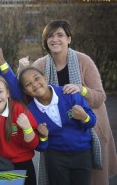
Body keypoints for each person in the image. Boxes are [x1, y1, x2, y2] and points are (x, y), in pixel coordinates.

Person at [19, 20, 117, 185]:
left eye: (60, 35)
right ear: (45, 41)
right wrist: (21, 70)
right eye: (50, 36)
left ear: (69, 39)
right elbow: (27, 93)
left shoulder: (83, 61)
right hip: (58, 141)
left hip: (89, 125)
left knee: (90, 178)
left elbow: (100, 97)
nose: (55, 39)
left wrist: (81, 89)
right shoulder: (40, 65)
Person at [19, 66, 97, 185]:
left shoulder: (68, 93)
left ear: (45, 77)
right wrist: (43, 136)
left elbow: (92, 122)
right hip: (56, 158)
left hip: (82, 153)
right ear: (25, 91)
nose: (34, 84)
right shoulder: (30, 112)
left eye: (37, 78)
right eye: (28, 84)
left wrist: (84, 117)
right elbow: (40, 147)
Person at [0, 74, 39, 185]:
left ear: (7, 93)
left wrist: (27, 129)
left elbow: (33, 145)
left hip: (23, 163)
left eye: (0, 91)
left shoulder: (18, 109)